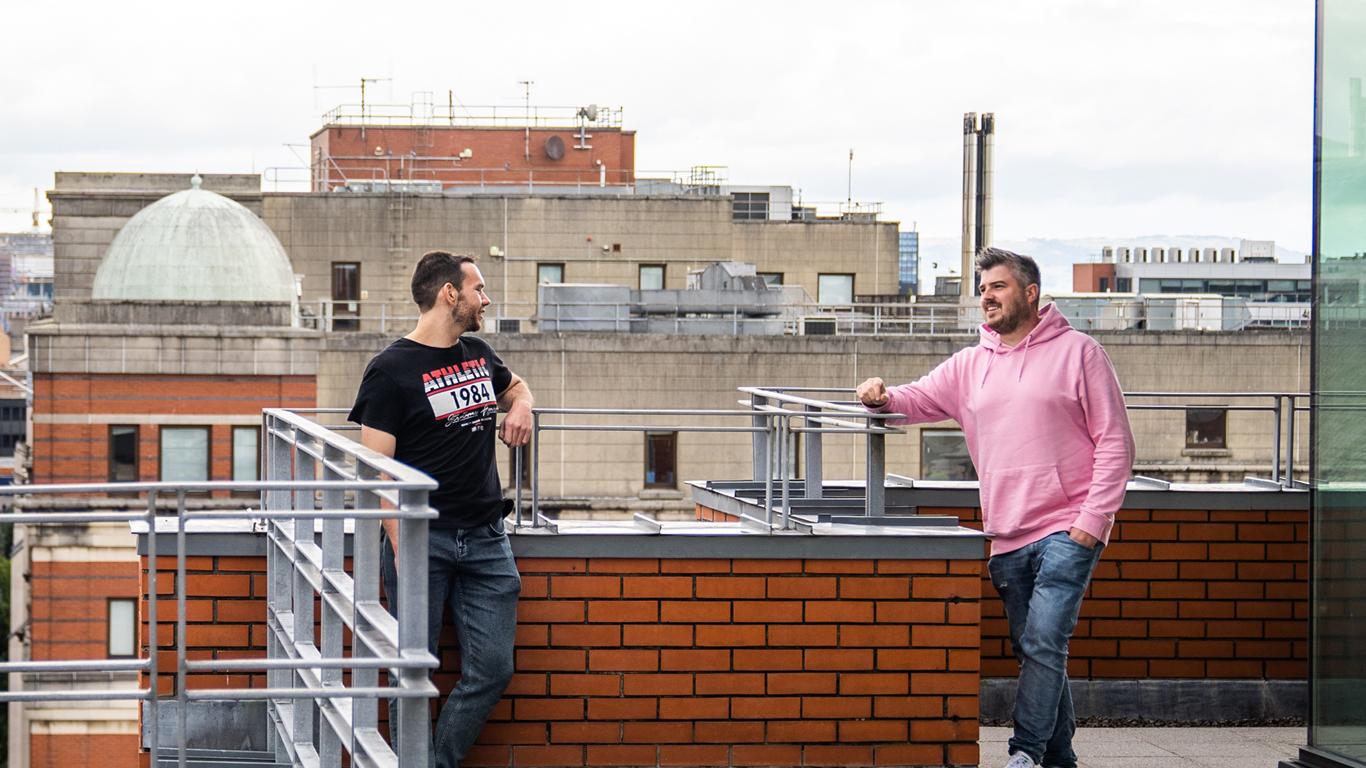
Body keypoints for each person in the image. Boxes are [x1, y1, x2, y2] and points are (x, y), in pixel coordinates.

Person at [857, 247, 1134, 768]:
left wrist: (1091, 525)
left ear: (1030, 293)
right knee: (1037, 651)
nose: (987, 296)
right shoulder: (970, 365)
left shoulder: (1080, 353)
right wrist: (877, 395)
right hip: (1005, 535)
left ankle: (1024, 753)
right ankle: (1058, 759)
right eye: (983, 288)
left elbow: (1115, 443)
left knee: (1044, 642)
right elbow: (911, 401)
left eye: (998, 286)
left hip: (1066, 531)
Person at [349, 251, 534, 768]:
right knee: (410, 673)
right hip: (420, 540)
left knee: (493, 668)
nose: (486, 299)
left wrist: (521, 405)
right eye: (478, 289)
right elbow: (375, 471)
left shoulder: (477, 352)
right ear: (449, 293)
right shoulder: (389, 371)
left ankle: (436, 763)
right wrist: (398, 541)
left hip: (486, 538)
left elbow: (516, 385)